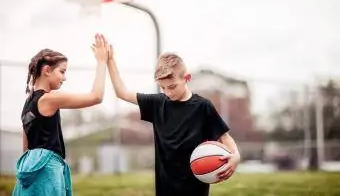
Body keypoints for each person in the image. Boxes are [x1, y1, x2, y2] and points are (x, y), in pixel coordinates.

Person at [106, 45, 241, 196]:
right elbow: (121, 92)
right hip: (165, 191)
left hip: (195, 191)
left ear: (187, 78)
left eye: (172, 86)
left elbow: (224, 137)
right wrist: (109, 60)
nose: (168, 92)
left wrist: (236, 155)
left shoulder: (203, 107)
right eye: (162, 88)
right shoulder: (157, 103)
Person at [12, 34, 110, 196]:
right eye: (62, 71)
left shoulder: (28, 103)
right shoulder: (49, 98)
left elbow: (26, 146)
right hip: (47, 169)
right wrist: (101, 62)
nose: (65, 78)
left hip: (29, 167)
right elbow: (96, 97)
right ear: (47, 71)